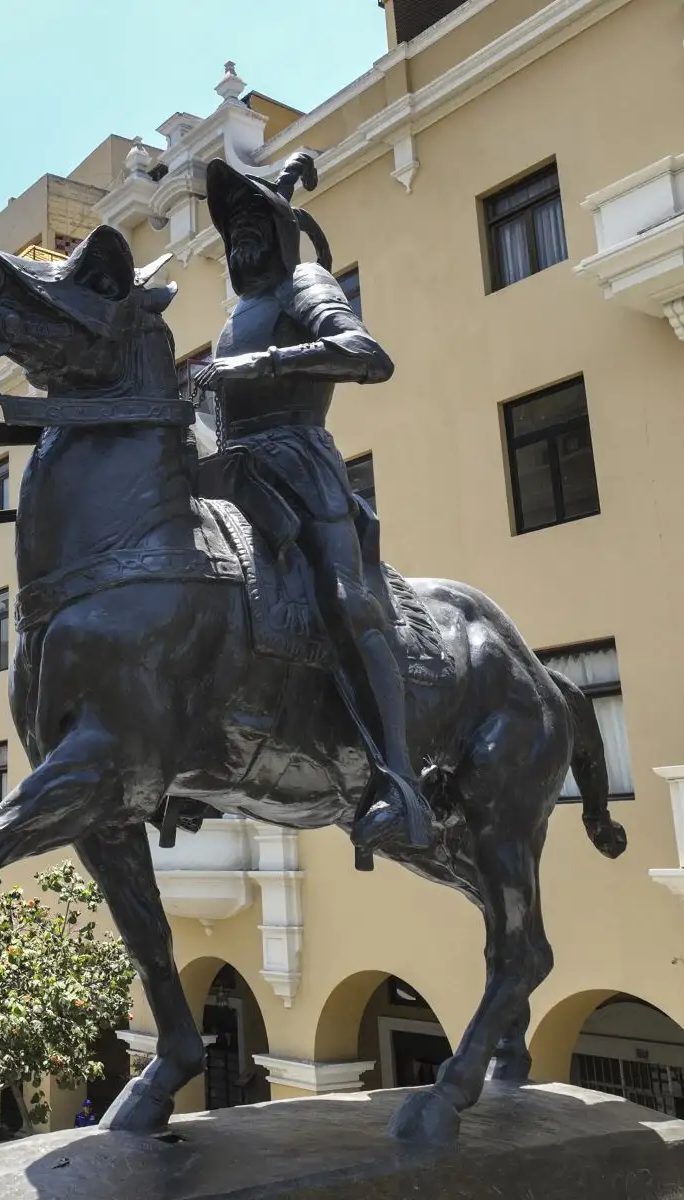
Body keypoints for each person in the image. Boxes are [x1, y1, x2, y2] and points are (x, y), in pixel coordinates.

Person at [194, 149, 433, 857]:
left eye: (249, 220)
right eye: (229, 223)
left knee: (343, 601)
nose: (238, 234)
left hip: (299, 463)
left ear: (276, 229)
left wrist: (262, 363)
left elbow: (367, 354)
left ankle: (401, 781)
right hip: (232, 467)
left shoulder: (305, 284)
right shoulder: (238, 310)